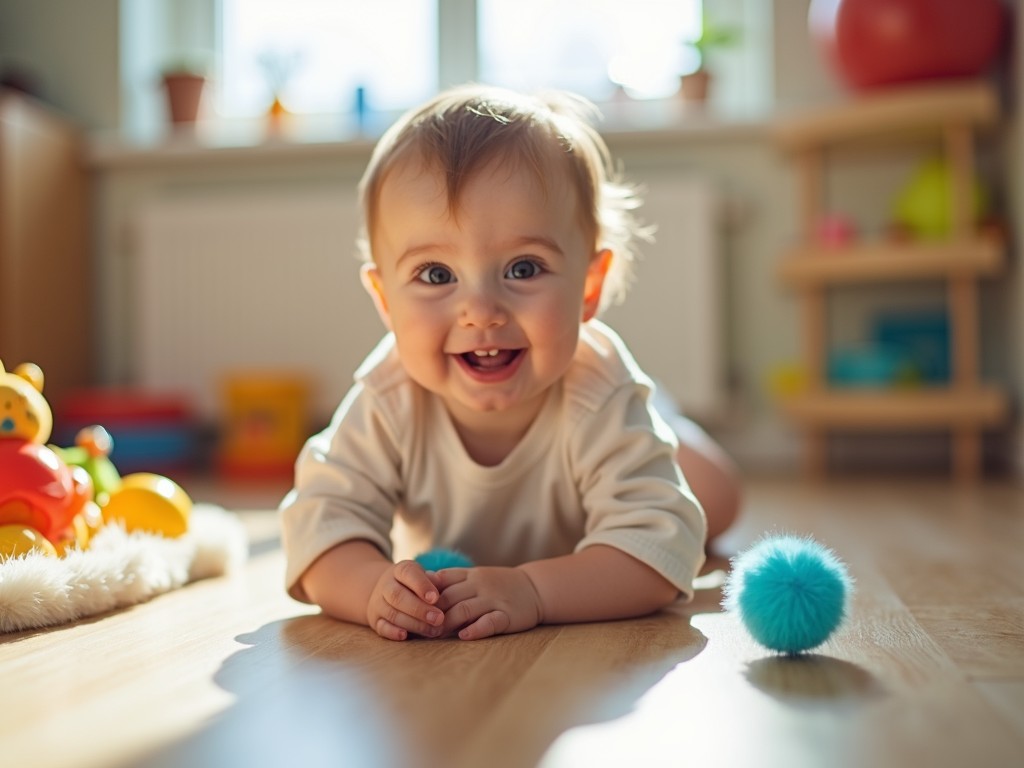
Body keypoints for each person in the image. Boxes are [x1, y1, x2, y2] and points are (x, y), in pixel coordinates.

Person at [280, 84, 741, 642]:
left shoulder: (597, 389)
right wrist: (370, 585)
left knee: (713, 500)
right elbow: (319, 524)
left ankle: (663, 420)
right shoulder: (389, 394)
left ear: (589, 285)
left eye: (523, 268)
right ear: (384, 302)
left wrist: (535, 591)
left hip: (615, 422)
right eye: (435, 275)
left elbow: (660, 549)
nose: (481, 312)